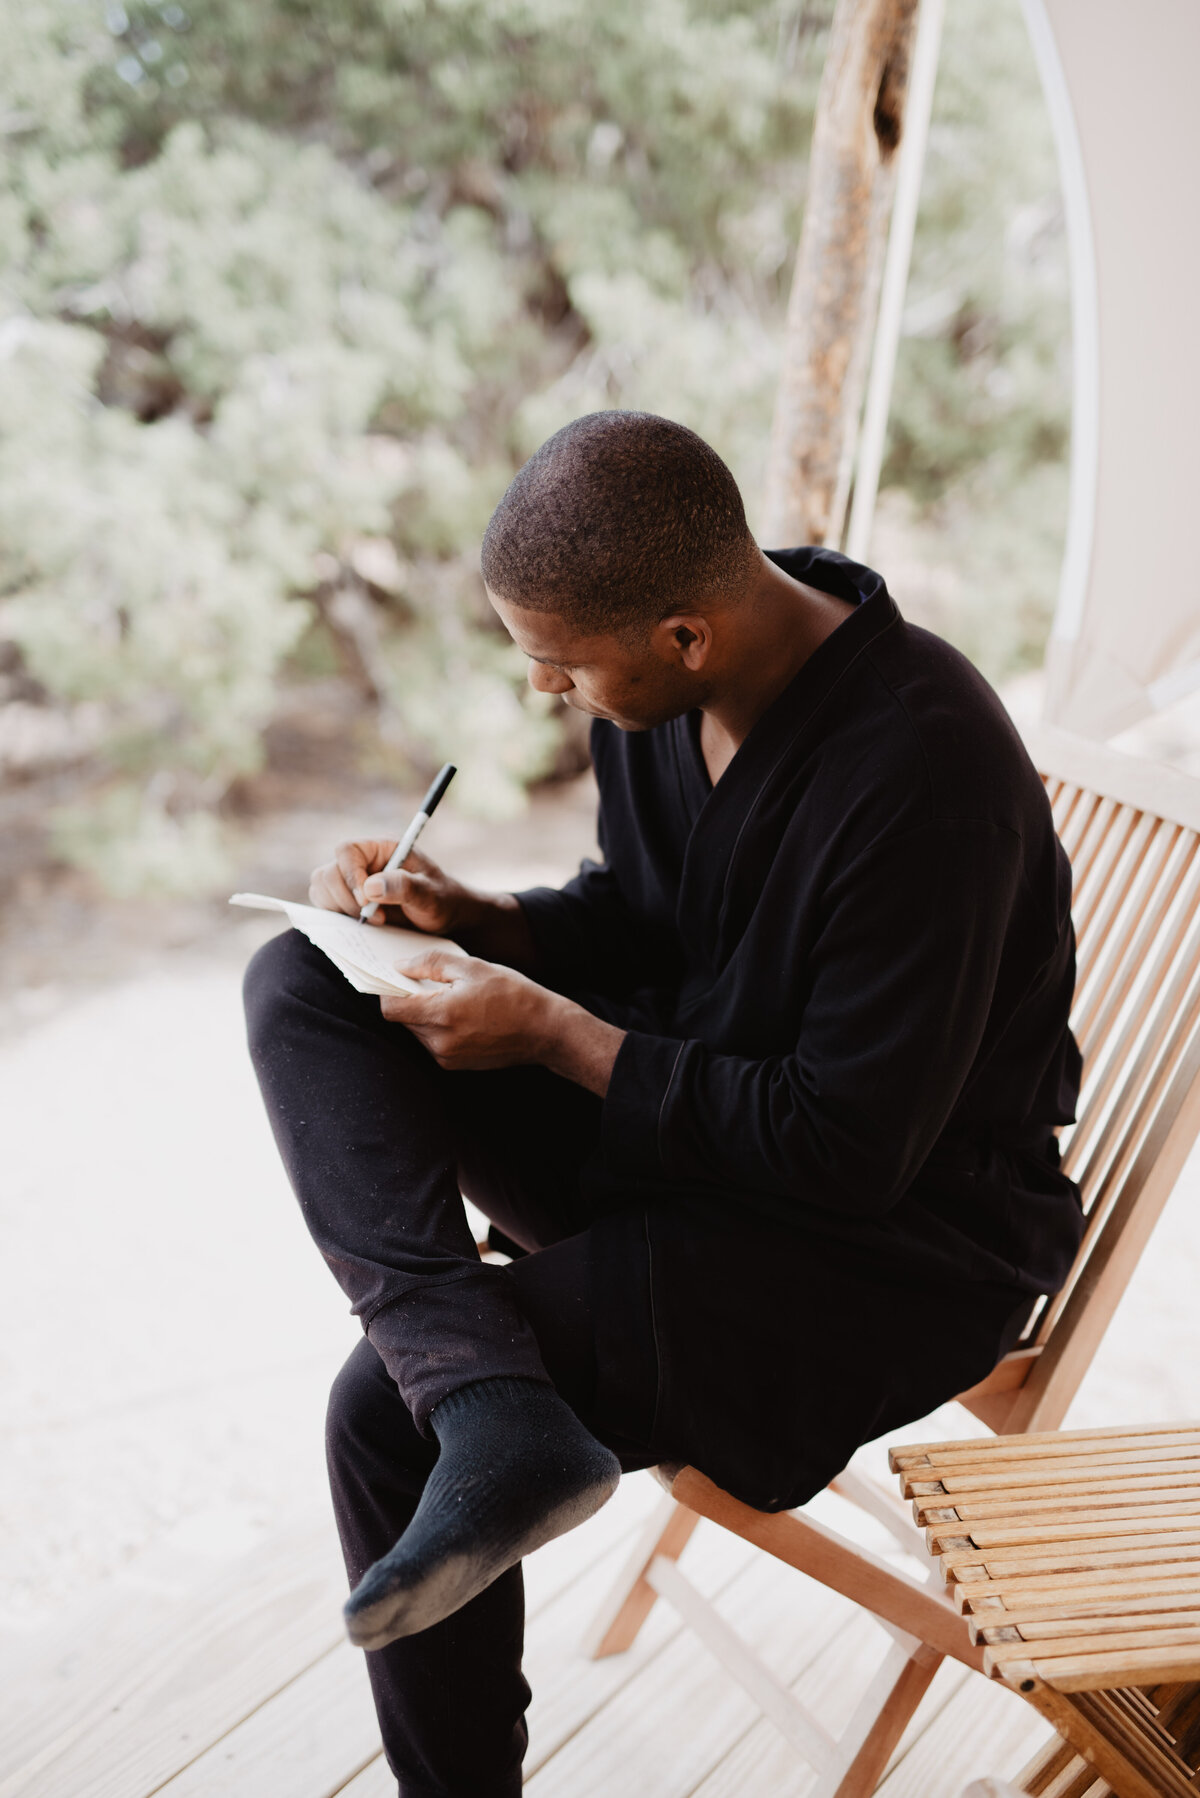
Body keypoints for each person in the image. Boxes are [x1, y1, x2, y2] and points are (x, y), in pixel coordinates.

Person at [243, 410, 1084, 1797]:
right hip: (701, 1137)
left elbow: (847, 1148)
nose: (540, 690)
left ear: (684, 632)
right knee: (302, 982)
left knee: (380, 1413)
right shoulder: (672, 693)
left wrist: (560, 1036)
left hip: (879, 1247)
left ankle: (475, 1413)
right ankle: (492, 1400)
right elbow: (649, 915)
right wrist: (483, 919)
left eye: (559, 662)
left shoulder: (926, 772)